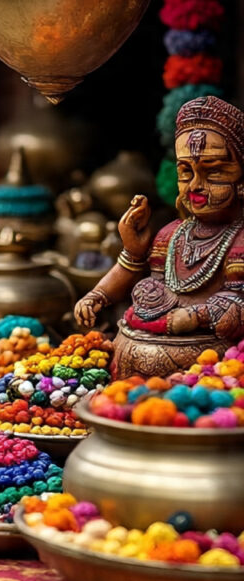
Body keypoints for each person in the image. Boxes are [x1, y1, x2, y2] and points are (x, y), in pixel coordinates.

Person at [75, 94, 244, 377]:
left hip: (211, 360)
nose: (196, 186)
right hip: (145, 341)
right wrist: (99, 293)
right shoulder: (171, 234)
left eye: (213, 171)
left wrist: (196, 316)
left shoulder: (239, 240)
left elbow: (238, 302)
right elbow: (144, 277)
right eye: (185, 171)